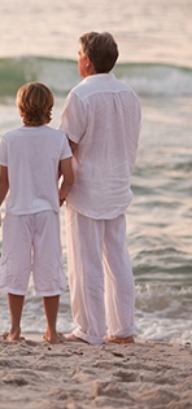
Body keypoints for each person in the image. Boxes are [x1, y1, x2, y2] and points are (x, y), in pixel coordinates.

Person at [59, 32, 141, 345]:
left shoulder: (81, 95)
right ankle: (123, 329)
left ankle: (89, 329)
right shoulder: (129, 93)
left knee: (85, 260)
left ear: (88, 62)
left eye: (79, 54)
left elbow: (65, 146)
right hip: (118, 184)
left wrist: (59, 185)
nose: (77, 59)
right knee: (118, 258)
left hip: (88, 187)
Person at [0, 82, 74, 343]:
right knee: (49, 265)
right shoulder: (58, 138)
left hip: (18, 213)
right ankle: (51, 330)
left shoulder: (10, 139)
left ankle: (14, 330)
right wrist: (60, 194)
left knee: (16, 266)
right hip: (47, 213)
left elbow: (4, 182)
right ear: (49, 107)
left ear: (21, 107)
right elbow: (69, 176)